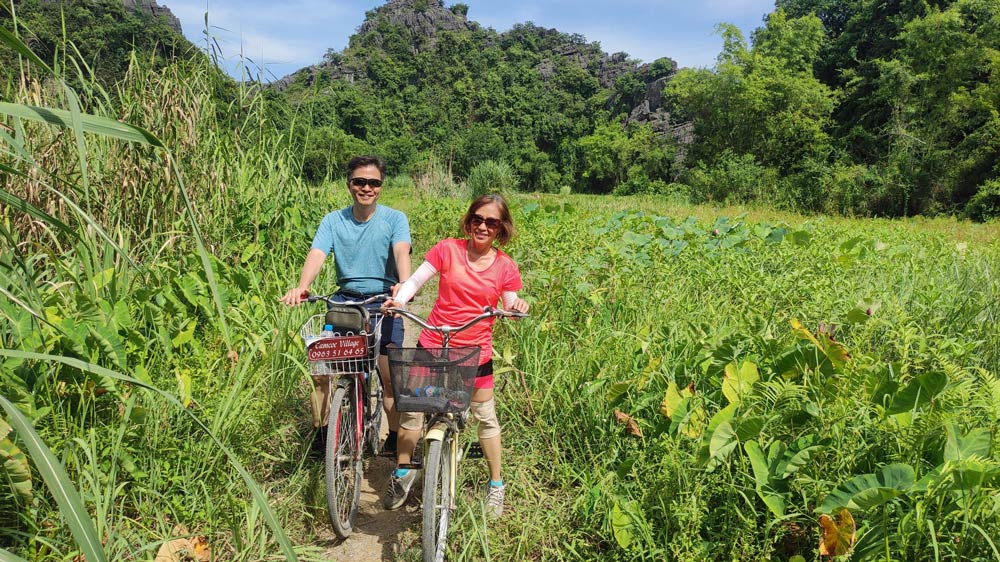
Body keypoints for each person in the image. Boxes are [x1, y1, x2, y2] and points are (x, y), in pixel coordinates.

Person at [383, 193, 529, 517]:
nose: (482, 226)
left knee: (485, 416)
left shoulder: (505, 266)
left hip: (475, 354)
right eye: (477, 218)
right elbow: (417, 280)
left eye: (491, 222)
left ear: (500, 228)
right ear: (469, 220)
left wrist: (516, 308)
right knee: (412, 412)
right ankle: (404, 470)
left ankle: (496, 485)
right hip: (433, 342)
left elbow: (510, 303)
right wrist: (400, 301)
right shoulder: (448, 249)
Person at [279, 155, 411, 455]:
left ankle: (392, 436)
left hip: (383, 301)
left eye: (374, 183)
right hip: (344, 303)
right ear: (349, 184)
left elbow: (402, 251)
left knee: (390, 381)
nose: (367, 188)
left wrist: (404, 285)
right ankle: (322, 437)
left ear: (381, 186)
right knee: (321, 373)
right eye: (359, 182)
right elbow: (317, 253)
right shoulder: (333, 220)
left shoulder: (394, 219)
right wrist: (303, 286)